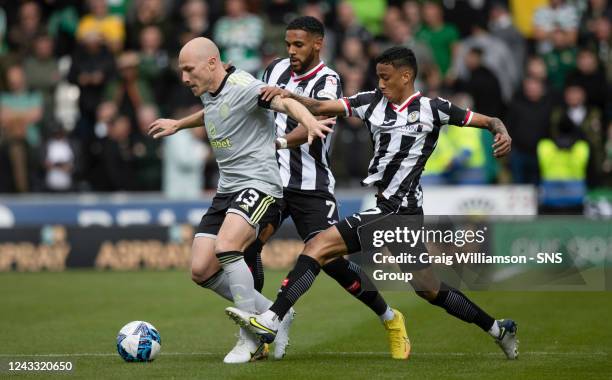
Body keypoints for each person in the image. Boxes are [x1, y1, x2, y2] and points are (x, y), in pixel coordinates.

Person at [226, 46, 519, 360]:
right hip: (395, 211)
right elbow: (320, 105)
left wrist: (500, 131)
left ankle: (271, 319)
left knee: (317, 247)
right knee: (429, 288)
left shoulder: (435, 108)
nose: (380, 83)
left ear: (406, 76)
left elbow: (488, 120)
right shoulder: (369, 102)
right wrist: (286, 93)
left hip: (398, 210)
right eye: (378, 76)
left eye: (386, 77)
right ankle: (498, 329)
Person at [147, 37, 331, 363]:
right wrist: (178, 124)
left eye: (189, 70)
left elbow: (285, 103)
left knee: (227, 246)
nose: (185, 78)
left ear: (212, 63)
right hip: (228, 189)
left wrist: (309, 121)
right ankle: (275, 314)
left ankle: (251, 338)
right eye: (182, 71)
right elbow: (213, 112)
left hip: (260, 186)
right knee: (201, 269)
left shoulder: (245, 86)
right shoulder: (208, 90)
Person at [244, 16, 410, 360]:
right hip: (271, 183)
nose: (291, 51)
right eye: (288, 44)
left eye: (299, 45)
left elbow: (317, 126)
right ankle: (258, 332)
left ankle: (390, 318)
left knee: (331, 262)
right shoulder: (273, 70)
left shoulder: (328, 80)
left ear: (318, 44)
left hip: (310, 187)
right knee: (247, 247)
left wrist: (275, 143)